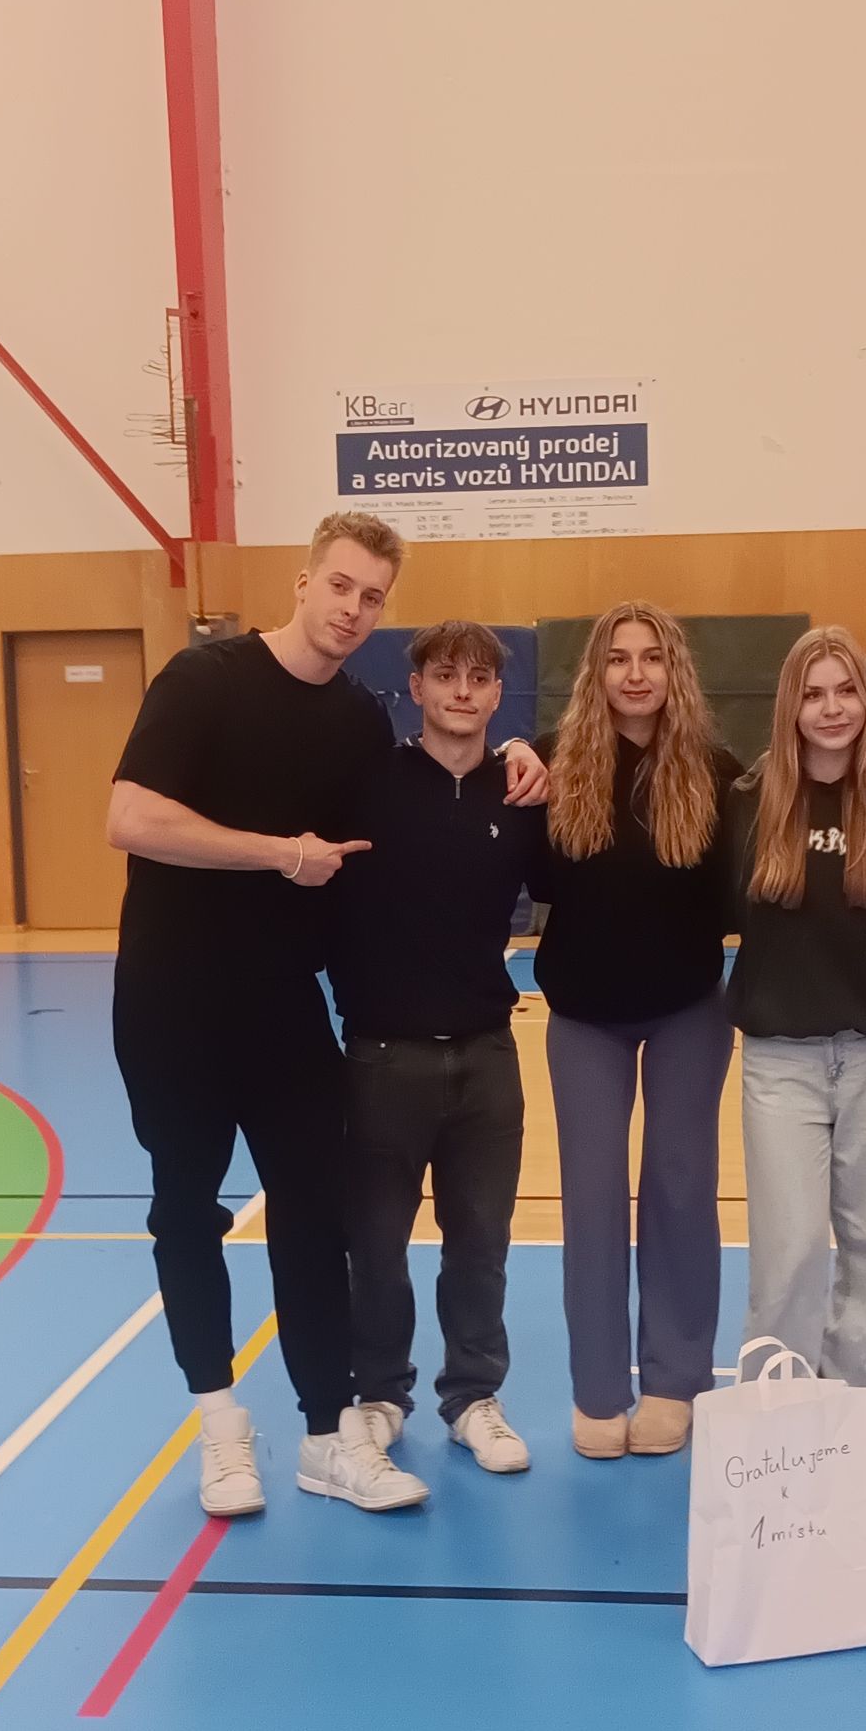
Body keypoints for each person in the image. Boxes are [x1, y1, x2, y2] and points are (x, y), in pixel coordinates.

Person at [105, 512, 432, 1520]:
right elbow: (131, 818)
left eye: (372, 598)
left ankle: (327, 1438)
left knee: (315, 1212)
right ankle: (220, 1429)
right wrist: (280, 854)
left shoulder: (359, 721)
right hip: (171, 1004)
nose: (352, 609)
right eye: (340, 585)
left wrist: (510, 757)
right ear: (303, 580)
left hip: (286, 1008)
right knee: (185, 1211)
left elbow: (375, 854)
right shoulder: (203, 681)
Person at [330, 621, 548, 1477]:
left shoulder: (522, 794)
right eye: (445, 675)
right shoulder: (366, 785)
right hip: (383, 1057)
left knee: (481, 1243)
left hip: (488, 1056)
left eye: (479, 678)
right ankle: (380, 1393)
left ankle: (473, 1397)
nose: (462, 691)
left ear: (498, 695)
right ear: (415, 687)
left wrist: (530, 755)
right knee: (376, 1247)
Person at [535, 603, 741, 1460]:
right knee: (590, 1199)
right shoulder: (551, 765)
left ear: (673, 670)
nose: (635, 673)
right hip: (585, 1015)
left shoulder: (716, 772)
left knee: (682, 1190)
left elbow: (752, 889)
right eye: (618, 658)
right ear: (597, 671)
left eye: (651, 657)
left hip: (688, 1007)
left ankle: (674, 1381)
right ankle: (597, 1392)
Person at [726, 627, 866, 1419]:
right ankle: (774, 1420)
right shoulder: (747, 802)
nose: (831, 708)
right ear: (791, 706)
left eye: (846, 691)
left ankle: (859, 1416)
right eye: (814, 694)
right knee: (791, 1249)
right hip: (781, 1060)